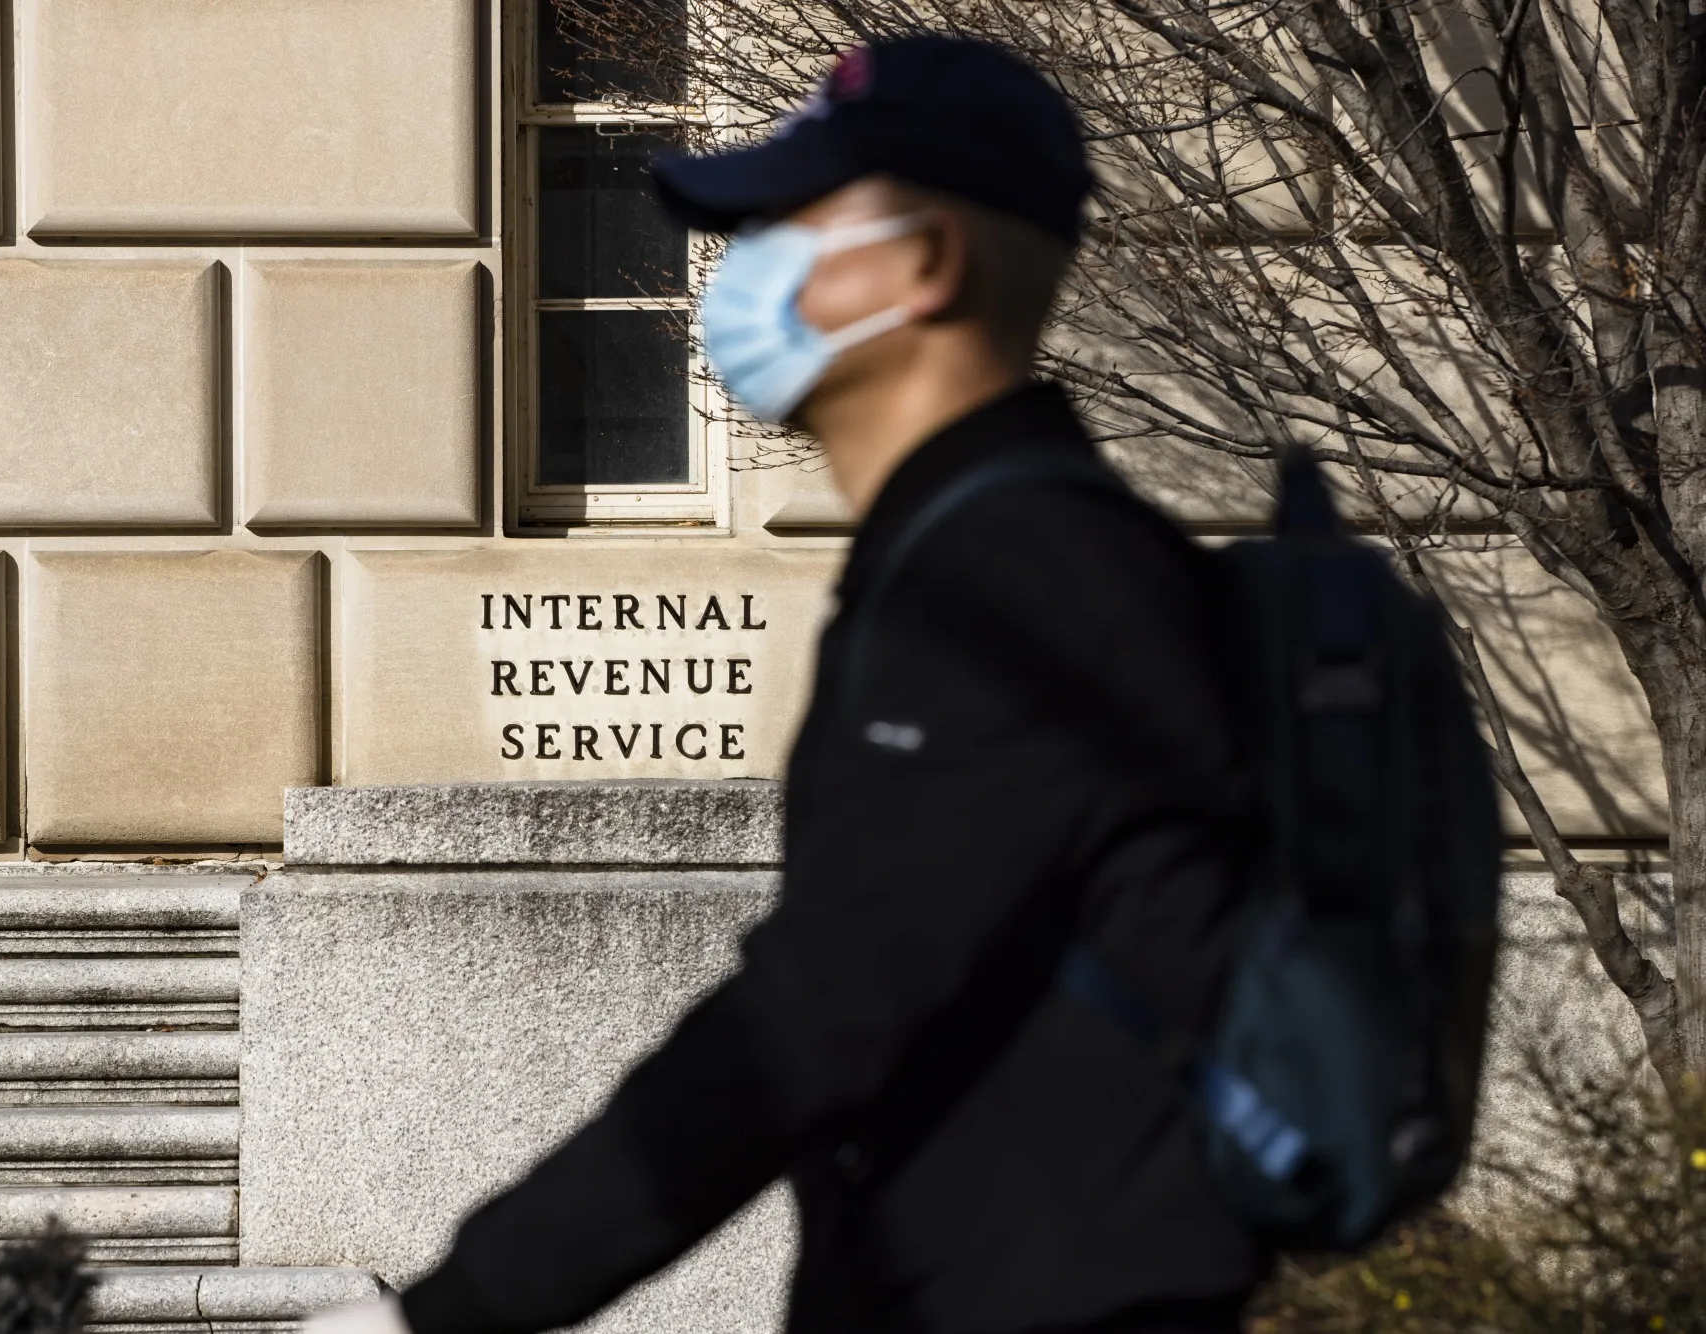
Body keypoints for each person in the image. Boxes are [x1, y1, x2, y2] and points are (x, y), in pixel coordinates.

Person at [309, 33, 1264, 1334]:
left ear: (925, 264)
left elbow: (819, 1012)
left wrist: (454, 1312)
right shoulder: (1001, 552)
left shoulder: (1020, 580)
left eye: (794, 221)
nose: (742, 267)